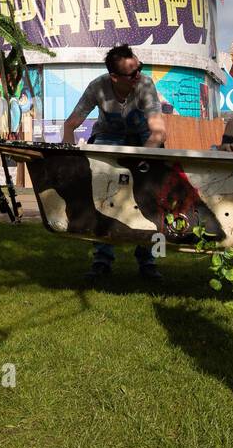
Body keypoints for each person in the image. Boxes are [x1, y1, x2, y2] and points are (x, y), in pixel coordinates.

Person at [60, 44, 167, 282]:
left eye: (139, 68)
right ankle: (101, 260)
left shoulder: (145, 85)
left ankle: (148, 262)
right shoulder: (98, 87)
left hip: (144, 141)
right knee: (103, 198)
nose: (139, 76)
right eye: (132, 73)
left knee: (149, 200)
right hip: (108, 139)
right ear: (114, 77)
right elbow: (69, 126)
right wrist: (71, 159)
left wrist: (140, 162)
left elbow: (158, 133)